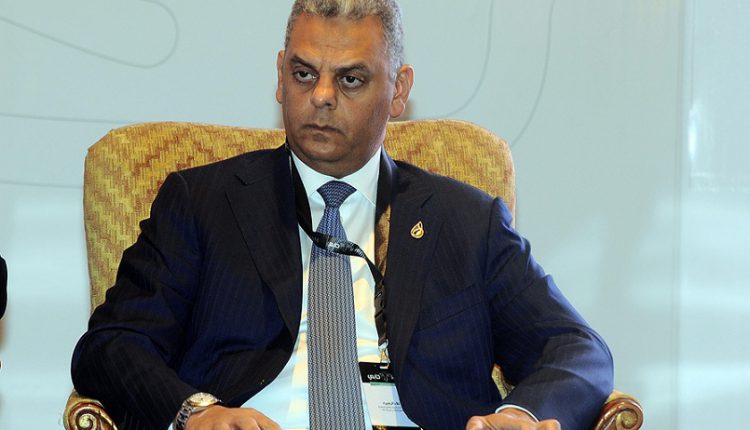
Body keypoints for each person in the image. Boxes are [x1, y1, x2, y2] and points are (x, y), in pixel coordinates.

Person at [71, 1, 613, 429]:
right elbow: (112, 344)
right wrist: (196, 412)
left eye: (351, 79)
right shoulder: (202, 203)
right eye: (304, 74)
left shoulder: (466, 221)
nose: (322, 97)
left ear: (398, 90)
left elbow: (577, 350)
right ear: (280, 75)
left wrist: (519, 415)